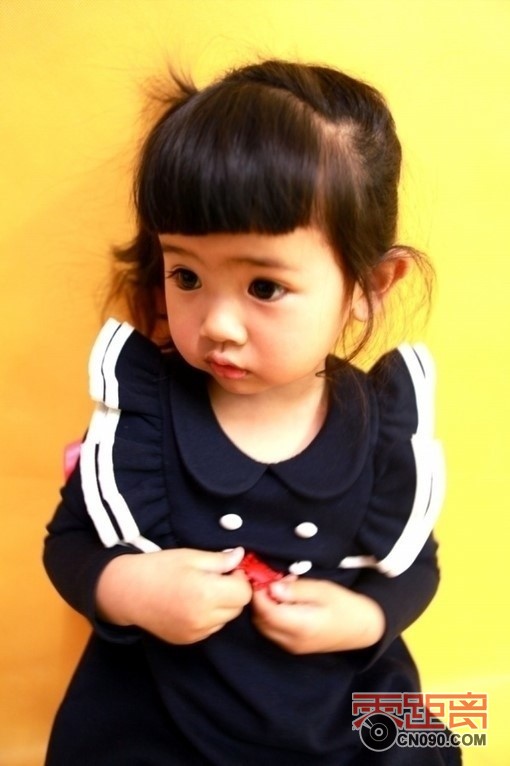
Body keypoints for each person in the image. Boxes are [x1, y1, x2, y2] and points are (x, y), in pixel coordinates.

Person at [43, 59, 460, 765]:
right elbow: (69, 542)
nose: (217, 324)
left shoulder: (381, 426)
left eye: (264, 286)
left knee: (422, 742)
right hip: (163, 706)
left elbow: (418, 563)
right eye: (187, 275)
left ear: (369, 285)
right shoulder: (143, 417)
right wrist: (127, 589)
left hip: (340, 706)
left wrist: (368, 617)